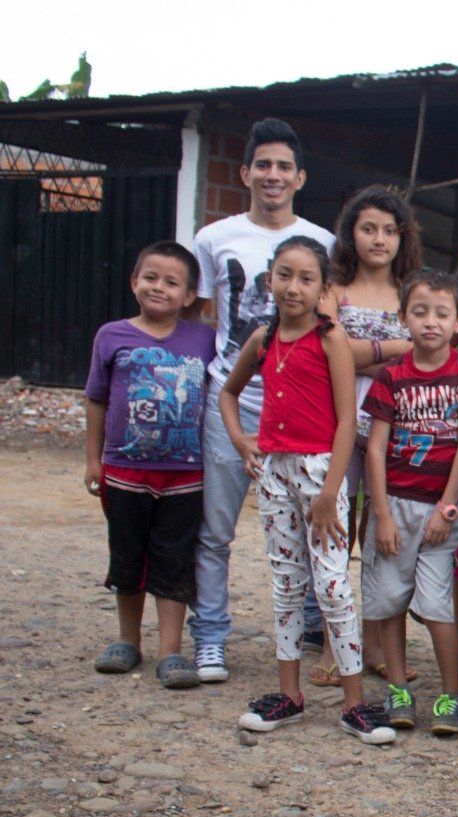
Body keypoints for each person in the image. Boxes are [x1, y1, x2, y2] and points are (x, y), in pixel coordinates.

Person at [218, 237, 391, 744]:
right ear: (269, 278)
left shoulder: (329, 337)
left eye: (306, 278)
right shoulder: (262, 339)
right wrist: (240, 439)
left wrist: (329, 491)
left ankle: (354, 704)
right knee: (286, 584)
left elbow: (345, 421)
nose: (293, 287)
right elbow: (228, 393)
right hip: (274, 473)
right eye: (284, 275)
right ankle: (289, 696)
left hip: (321, 474)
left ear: (323, 289)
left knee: (333, 584)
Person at [189, 117, 334, 684]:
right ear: (245, 172)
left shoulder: (324, 242)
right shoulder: (213, 238)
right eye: (263, 166)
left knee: (309, 525)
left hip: (302, 407)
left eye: (284, 167)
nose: (272, 176)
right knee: (215, 528)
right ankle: (210, 639)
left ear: (300, 177)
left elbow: (331, 327)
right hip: (232, 398)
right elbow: (203, 318)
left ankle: (306, 633)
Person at [362, 269, 458, 735]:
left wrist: (447, 507)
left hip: (441, 510)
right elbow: (375, 448)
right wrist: (380, 516)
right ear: (402, 318)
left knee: (438, 606)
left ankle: (452, 696)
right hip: (393, 506)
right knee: (389, 602)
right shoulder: (391, 375)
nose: (430, 322)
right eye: (419, 312)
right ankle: (398, 689)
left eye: (442, 313)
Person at [84, 241, 215, 689]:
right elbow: (96, 399)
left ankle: (171, 651)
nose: (159, 287)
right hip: (123, 471)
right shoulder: (111, 335)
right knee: (127, 553)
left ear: (190, 295)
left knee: (174, 558)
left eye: (172, 282)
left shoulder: (204, 339)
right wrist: (93, 459)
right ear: (134, 282)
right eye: (151, 278)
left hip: (185, 476)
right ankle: (127, 641)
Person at [308, 185, 422, 688]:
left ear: (403, 237)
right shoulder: (333, 288)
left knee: (381, 533)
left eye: (390, 230)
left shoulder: (410, 292)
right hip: (337, 421)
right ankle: (336, 643)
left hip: (395, 427)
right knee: (336, 529)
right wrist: (392, 347)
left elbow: (425, 352)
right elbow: (329, 349)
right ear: (350, 233)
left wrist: (361, 349)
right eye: (368, 228)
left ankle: (374, 645)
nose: (379, 239)